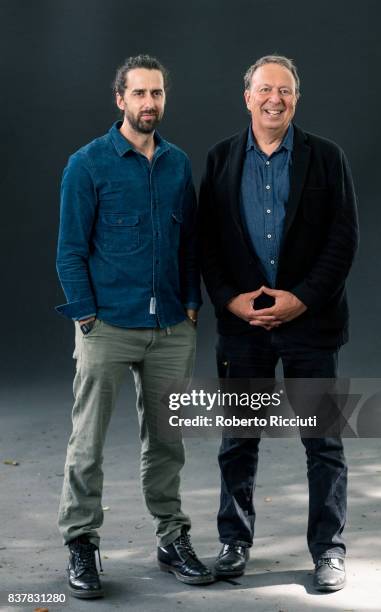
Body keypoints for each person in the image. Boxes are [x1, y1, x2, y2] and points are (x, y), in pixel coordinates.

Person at [198, 54, 358, 592]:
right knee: (238, 439)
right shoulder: (220, 161)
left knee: (324, 441)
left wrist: (302, 300)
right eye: (265, 89)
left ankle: (329, 550)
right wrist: (230, 301)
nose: (275, 99)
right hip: (243, 329)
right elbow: (207, 246)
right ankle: (233, 543)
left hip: (311, 324)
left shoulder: (327, 158)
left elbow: (343, 241)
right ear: (247, 97)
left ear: (296, 98)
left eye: (285, 90)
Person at [56, 54, 214, 599]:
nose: (150, 103)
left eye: (158, 93)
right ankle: (81, 541)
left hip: (172, 327)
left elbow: (191, 243)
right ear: (120, 100)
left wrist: (191, 302)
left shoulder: (176, 163)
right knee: (88, 443)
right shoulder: (88, 164)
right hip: (107, 327)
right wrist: (85, 317)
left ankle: (172, 539)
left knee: (168, 442)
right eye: (140, 94)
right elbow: (70, 252)